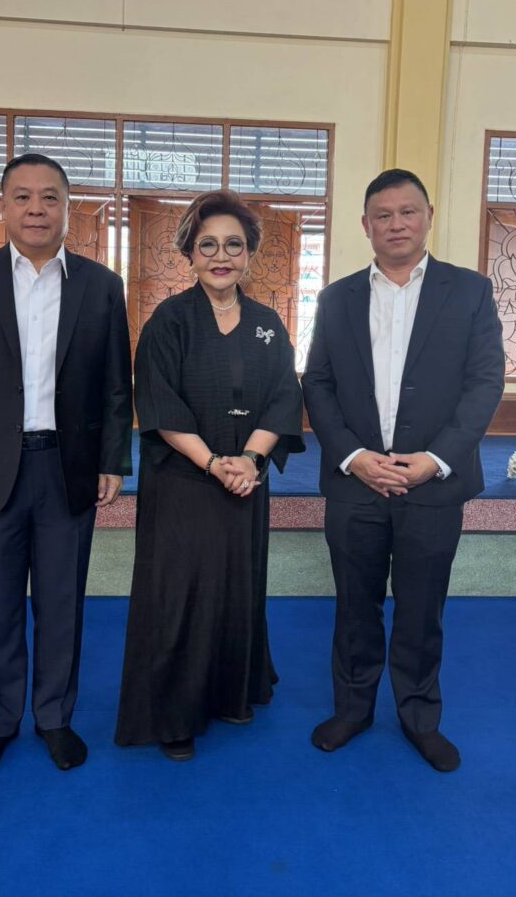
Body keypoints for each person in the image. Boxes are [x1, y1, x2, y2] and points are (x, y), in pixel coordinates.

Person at [0, 153, 132, 778]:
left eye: (49, 197)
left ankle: (54, 718)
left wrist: (112, 459)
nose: (36, 209)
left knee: (63, 603)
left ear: (68, 208)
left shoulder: (101, 285)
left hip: (68, 467)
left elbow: (115, 385)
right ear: (3, 207)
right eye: (22, 197)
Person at [302, 168, 504, 772]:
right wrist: (353, 457)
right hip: (355, 482)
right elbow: (318, 383)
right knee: (354, 606)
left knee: (422, 609)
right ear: (366, 225)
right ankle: (353, 709)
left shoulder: (470, 292)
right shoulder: (337, 297)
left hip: (434, 483)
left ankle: (419, 717)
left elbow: (484, 383)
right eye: (383, 215)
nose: (396, 224)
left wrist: (435, 460)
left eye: (407, 211)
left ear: (428, 217)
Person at [115, 190, 304, 761]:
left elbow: (284, 397)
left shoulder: (268, 324)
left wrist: (250, 460)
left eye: (233, 245)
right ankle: (174, 714)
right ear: (190, 254)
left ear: (250, 254)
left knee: (236, 589)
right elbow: (159, 403)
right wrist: (215, 464)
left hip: (246, 480)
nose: (221, 256)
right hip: (184, 481)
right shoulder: (169, 321)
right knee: (181, 595)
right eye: (208, 245)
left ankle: (230, 691)